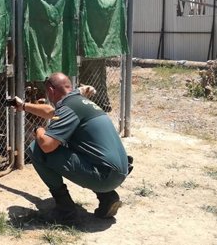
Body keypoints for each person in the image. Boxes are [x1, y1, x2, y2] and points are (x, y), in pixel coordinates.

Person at [13, 72, 130, 220]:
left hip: (105, 177)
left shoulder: (68, 108)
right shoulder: (79, 103)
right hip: (119, 171)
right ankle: (108, 197)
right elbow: (51, 112)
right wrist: (23, 106)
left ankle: (65, 209)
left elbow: (47, 145)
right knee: (73, 144)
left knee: (37, 148)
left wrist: (38, 130)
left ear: (50, 90)